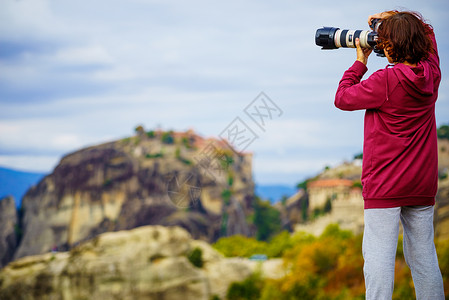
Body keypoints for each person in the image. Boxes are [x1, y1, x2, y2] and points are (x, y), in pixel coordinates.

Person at [334, 10, 445, 299]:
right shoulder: (431, 73)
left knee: (378, 259)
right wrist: (396, 17)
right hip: (421, 185)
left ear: (389, 47)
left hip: (385, 185)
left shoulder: (385, 81)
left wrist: (360, 63)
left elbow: (343, 98)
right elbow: (429, 35)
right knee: (424, 258)